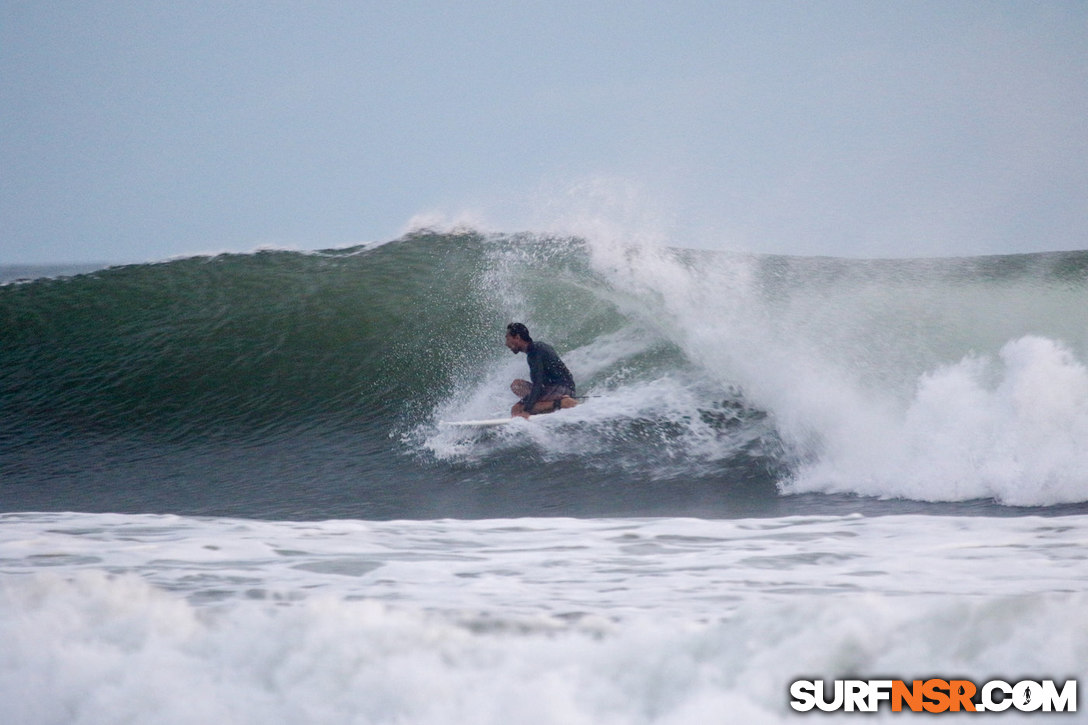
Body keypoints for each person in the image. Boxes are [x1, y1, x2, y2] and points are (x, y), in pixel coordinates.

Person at [504, 322, 577, 418]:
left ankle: (562, 403)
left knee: (517, 409)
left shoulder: (535, 352)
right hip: (561, 387)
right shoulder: (537, 348)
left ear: (517, 337)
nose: (506, 344)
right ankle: (548, 407)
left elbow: (538, 383)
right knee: (517, 385)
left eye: (508, 339)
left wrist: (526, 410)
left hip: (562, 388)